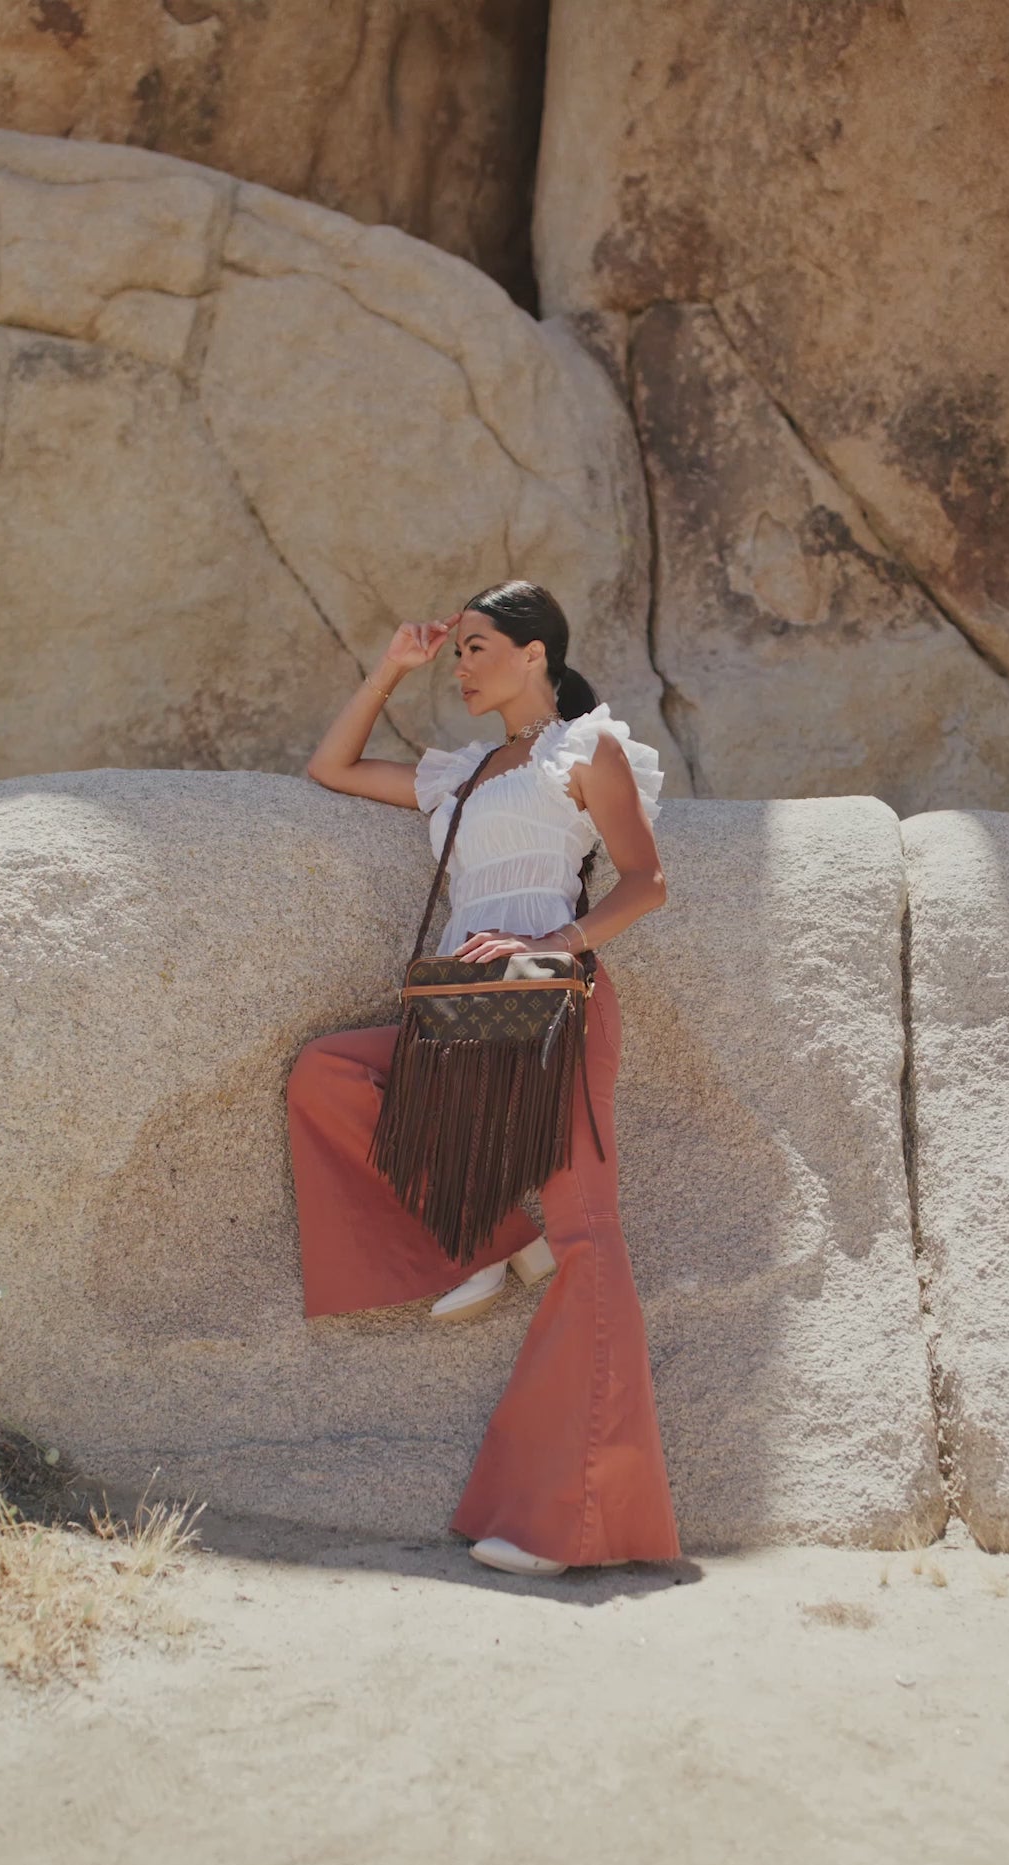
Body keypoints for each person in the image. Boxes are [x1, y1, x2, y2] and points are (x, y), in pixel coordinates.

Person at [286, 580, 681, 1578]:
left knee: (589, 1244)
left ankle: (573, 1524)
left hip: (553, 1006)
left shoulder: (586, 750)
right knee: (329, 1076)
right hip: (460, 1016)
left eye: (476, 647)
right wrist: (392, 667)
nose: (460, 666)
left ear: (536, 654)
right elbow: (331, 767)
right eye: (454, 650)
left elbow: (647, 881)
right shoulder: (459, 774)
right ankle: (497, 1240)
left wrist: (553, 943)